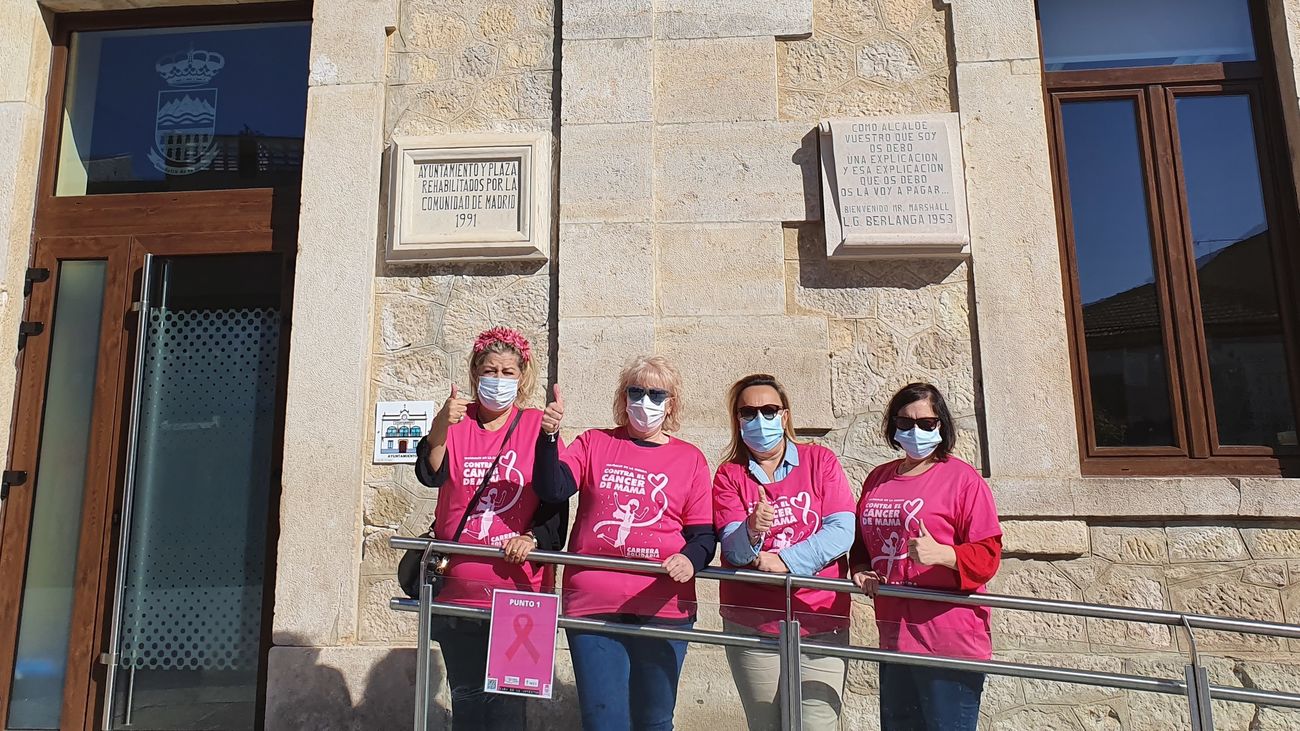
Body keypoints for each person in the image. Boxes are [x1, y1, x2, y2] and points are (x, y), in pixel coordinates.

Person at [532, 355, 716, 731]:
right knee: (604, 720)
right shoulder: (594, 442)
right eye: (636, 392)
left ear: (671, 404)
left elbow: (703, 536)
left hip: (663, 606)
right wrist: (548, 438)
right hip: (593, 604)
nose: (645, 401)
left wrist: (689, 560)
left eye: (656, 394)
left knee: (654, 720)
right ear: (623, 397)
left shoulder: (691, 459)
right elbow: (553, 488)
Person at [412, 326, 567, 730]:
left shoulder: (536, 426)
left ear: (522, 377)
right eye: (490, 371)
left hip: (521, 594)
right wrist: (441, 424)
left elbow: (555, 500)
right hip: (458, 591)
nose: (498, 380)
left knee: (508, 708)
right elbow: (430, 474)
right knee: (467, 701)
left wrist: (532, 537)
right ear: (474, 373)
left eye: (507, 372)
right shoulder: (455, 423)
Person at [849, 383, 1002, 731]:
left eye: (926, 423)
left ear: (941, 425)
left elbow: (988, 555)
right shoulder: (878, 479)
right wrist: (860, 568)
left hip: (948, 642)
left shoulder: (963, 480)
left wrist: (945, 555)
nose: (915, 431)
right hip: (895, 637)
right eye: (904, 423)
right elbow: (862, 539)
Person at [713, 374, 856, 731]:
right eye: (748, 412)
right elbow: (732, 547)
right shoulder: (729, 475)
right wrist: (751, 529)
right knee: (766, 725)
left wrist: (786, 562)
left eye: (769, 410)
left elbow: (842, 530)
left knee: (817, 724)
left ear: (785, 416)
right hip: (752, 624)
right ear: (737, 419)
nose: (759, 419)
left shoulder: (820, 461)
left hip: (819, 619)